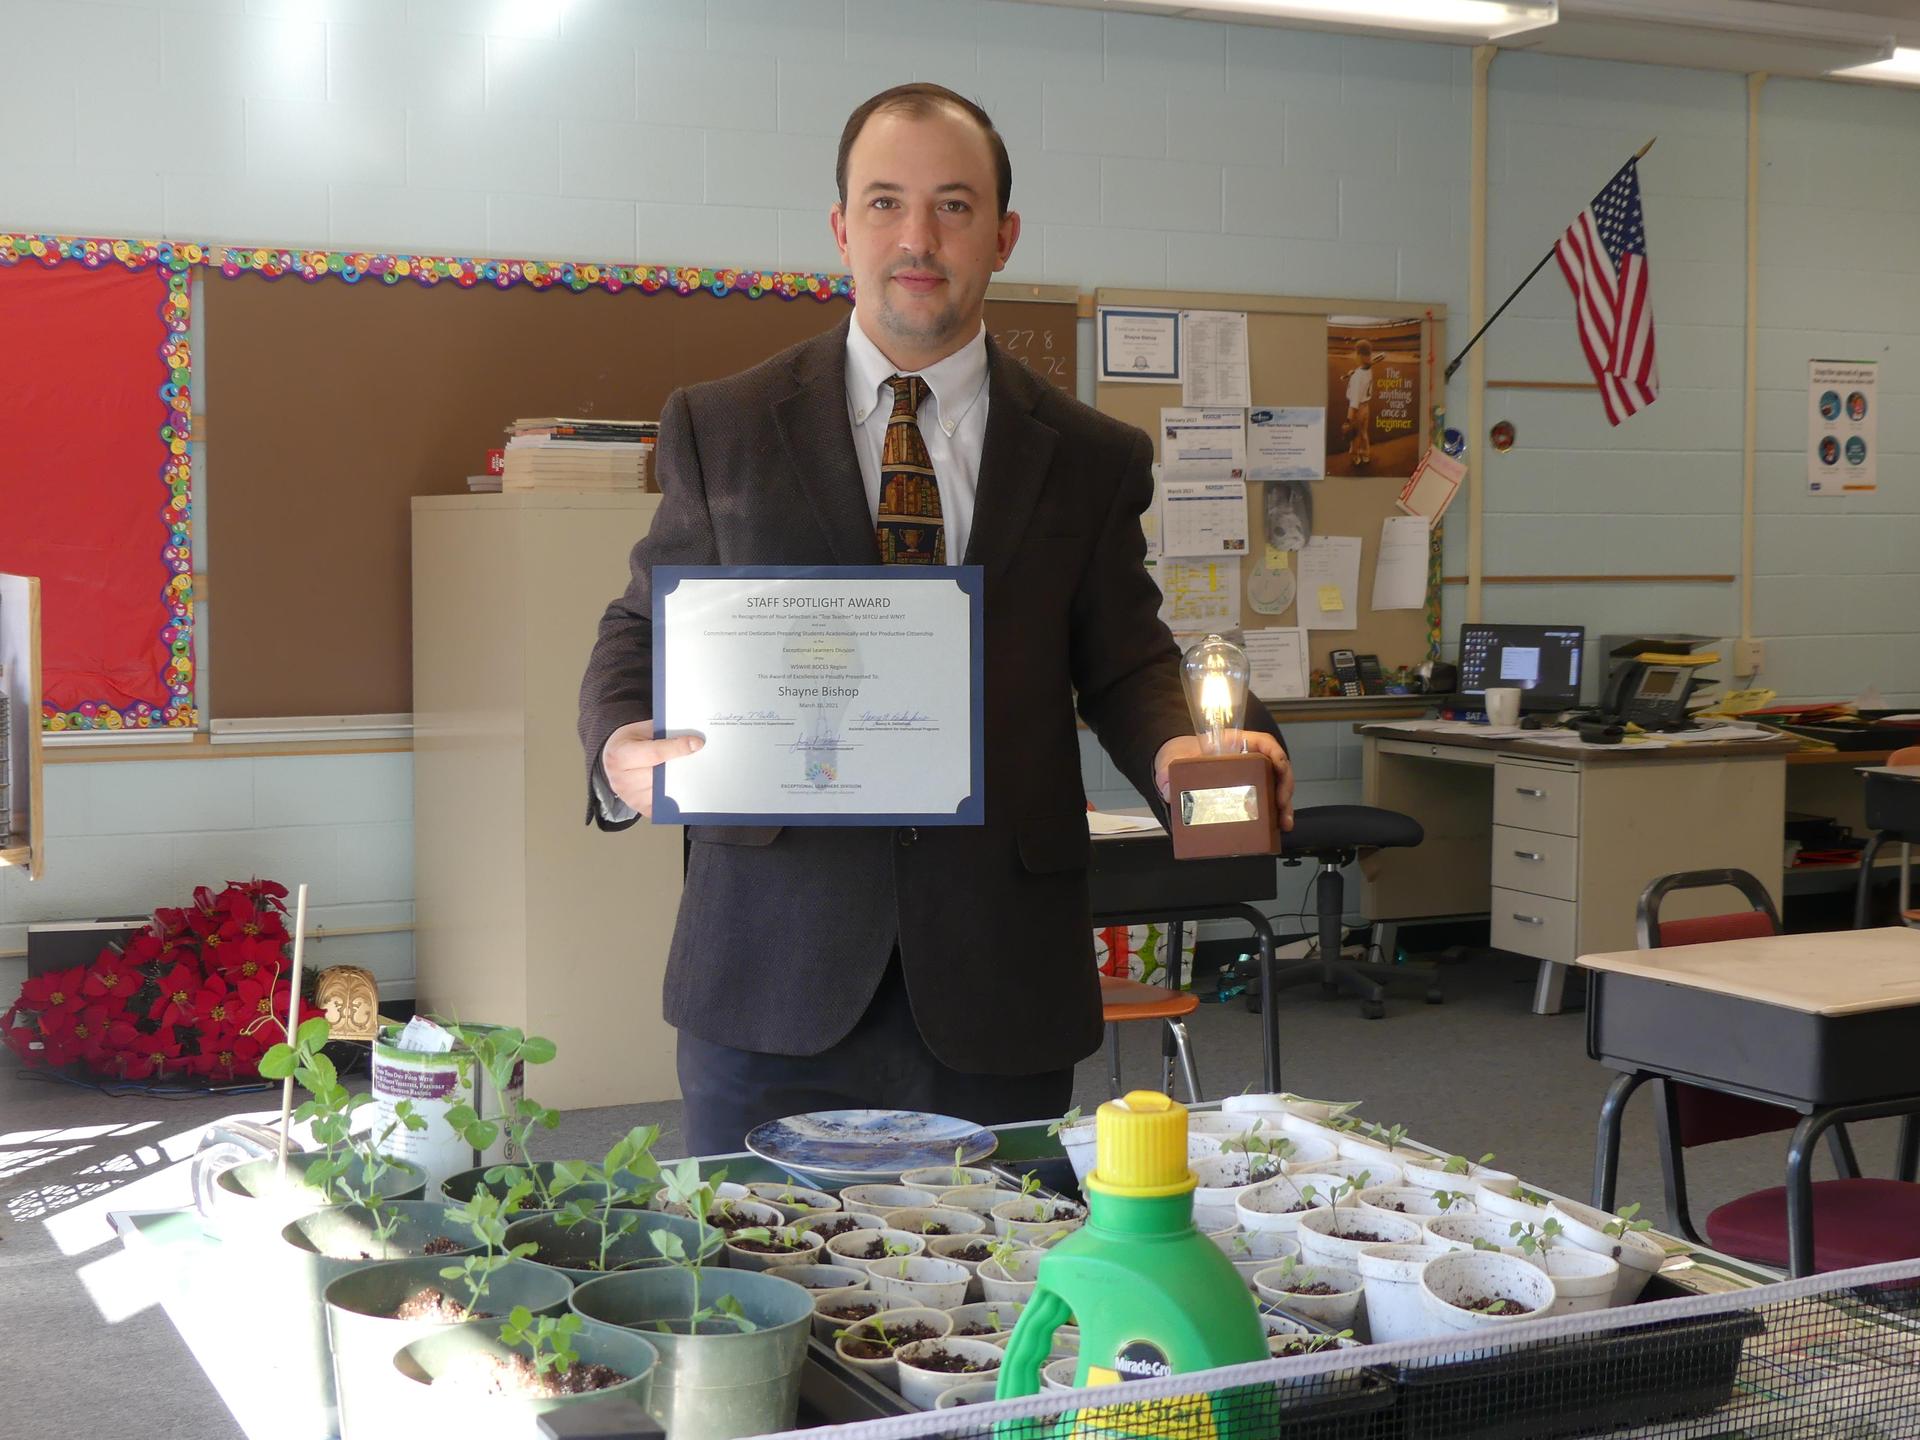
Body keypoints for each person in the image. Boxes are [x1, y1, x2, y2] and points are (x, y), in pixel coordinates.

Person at [577, 83, 1293, 1156]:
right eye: (885, 203)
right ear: (840, 230)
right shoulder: (720, 425)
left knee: (990, 1296)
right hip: (773, 962)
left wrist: (1204, 756)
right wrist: (619, 746)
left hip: (994, 968)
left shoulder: (1092, 457)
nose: (917, 238)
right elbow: (645, 627)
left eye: (953, 207)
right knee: (747, 1284)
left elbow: (1126, 662)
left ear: (1003, 237)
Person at [1345, 340, 1375, 468]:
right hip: (1366, 408)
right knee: (1363, 433)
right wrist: (1353, 373)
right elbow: (1361, 374)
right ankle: (1366, 455)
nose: (1354, 356)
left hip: (1357, 410)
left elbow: (1354, 402)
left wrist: (1348, 419)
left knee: (1354, 436)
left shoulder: (1357, 376)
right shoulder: (1368, 370)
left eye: (1356, 353)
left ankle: (1355, 457)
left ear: (1361, 356)